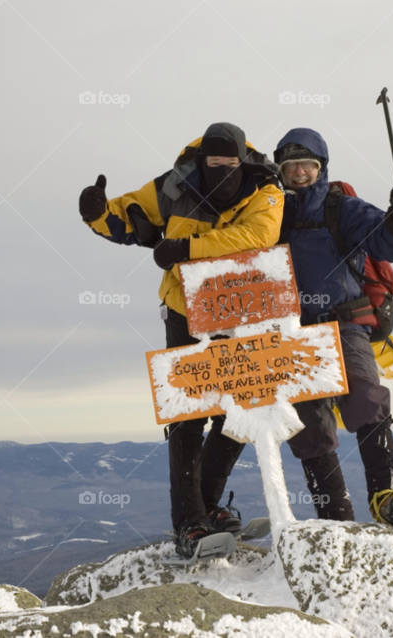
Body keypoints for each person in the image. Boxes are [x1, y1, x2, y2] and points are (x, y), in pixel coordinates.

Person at [77, 122, 286, 557]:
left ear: (243, 161)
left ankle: (209, 504)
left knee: (239, 412)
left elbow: (258, 235)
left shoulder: (266, 187)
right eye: (215, 163)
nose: (224, 170)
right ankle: (189, 522)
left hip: (243, 312)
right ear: (203, 161)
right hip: (185, 311)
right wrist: (96, 213)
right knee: (189, 415)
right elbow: (130, 215)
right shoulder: (175, 185)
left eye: (231, 163)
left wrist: (185, 248)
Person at [274, 127, 393, 526]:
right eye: (291, 166)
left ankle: (385, 493)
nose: (300, 173)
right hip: (296, 335)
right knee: (309, 426)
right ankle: (334, 514)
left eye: (308, 164)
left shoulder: (342, 208)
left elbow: (387, 244)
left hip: (345, 323)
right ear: (280, 171)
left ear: (321, 167)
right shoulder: (271, 213)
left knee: (365, 398)